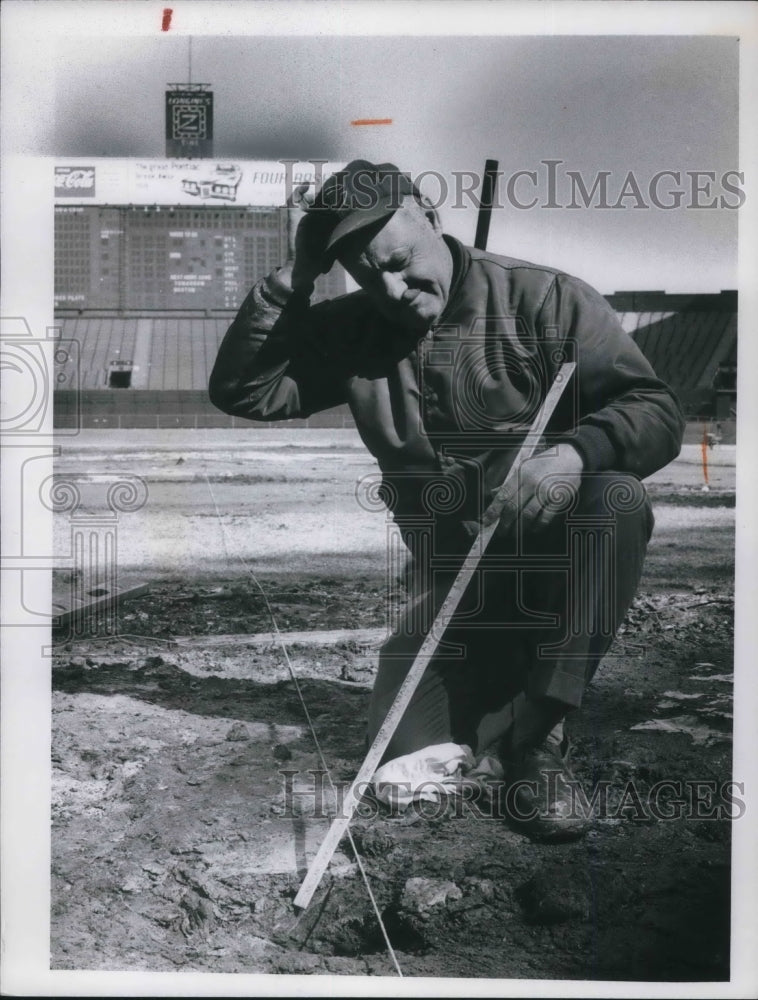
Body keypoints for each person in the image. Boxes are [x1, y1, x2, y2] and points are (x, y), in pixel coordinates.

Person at [209, 160, 684, 841]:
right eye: (369, 275)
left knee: (614, 498)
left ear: (431, 216)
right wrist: (298, 277)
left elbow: (656, 408)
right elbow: (245, 392)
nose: (394, 289)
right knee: (406, 757)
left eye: (401, 261)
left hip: (549, 571)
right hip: (454, 590)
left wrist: (575, 452)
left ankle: (541, 738)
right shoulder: (355, 327)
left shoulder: (545, 299)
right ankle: (505, 700)